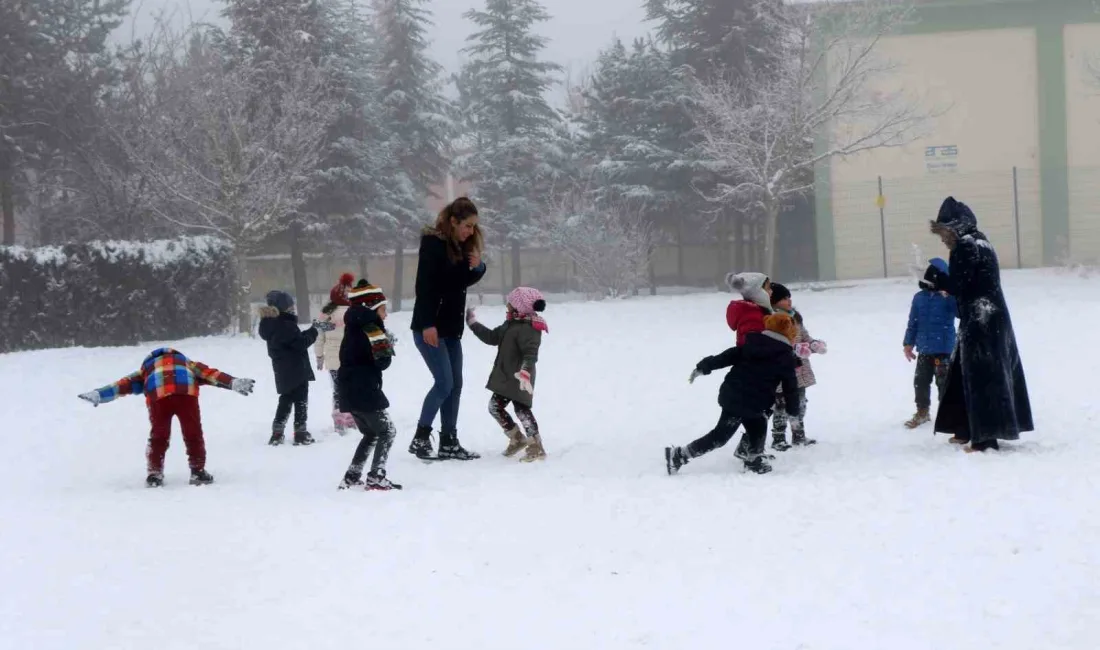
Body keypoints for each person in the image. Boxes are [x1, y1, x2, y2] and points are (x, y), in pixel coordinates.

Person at [924, 196, 1033, 452]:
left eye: (944, 232)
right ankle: (964, 428)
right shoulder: (983, 242)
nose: (943, 238)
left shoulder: (965, 246)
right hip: (992, 317)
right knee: (967, 373)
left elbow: (958, 286)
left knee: (981, 376)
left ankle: (984, 437)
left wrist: (935, 278)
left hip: (980, 320)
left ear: (956, 227)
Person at [77, 348, 255, 487]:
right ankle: (198, 471)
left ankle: (154, 474)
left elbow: (121, 385)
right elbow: (211, 375)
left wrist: (99, 394)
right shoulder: (186, 363)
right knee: (193, 433)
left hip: (159, 397)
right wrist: (233, 382)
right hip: (186, 394)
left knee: (159, 436)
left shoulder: (146, 368)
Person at [664, 313, 801, 476]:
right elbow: (790, 388)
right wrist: (793, 411)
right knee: (721, 436)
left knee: (758, 425)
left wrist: (704, 366)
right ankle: (679, 455)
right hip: (744, 401)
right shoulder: (785, 358)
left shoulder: (752, 343)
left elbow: (726, 357)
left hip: (736, 395)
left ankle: (754, 458)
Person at [408, 196, 487, 461]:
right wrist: (428, 323)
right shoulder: (433, 245)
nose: (471, 231)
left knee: (456, 385)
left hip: (451, 328)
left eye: (474, 227)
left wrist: (479, 267)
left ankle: (448, 441)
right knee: (444, 384)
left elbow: (460, 281)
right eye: (467, 225)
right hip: (430, 327)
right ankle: (420, 438)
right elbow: (425, 286)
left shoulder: (459, 247)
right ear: (453, 222)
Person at [466, 286, 548, 462]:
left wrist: (525, 372)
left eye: (510, 303)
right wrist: (473, 323)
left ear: (520, 306)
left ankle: (536, 446)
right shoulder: (510, 324)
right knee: (494, 407)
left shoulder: (530, 327)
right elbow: (491, 337)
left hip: (520, 378)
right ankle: (517, 438)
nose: (507, 306)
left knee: (522, 410)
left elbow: (531, 354)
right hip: (506, 377)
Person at [336, 280, 402, 490]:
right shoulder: (372, 328)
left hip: (348, 390)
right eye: (383, 309)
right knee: (387, 431)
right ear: (372, 308)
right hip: (365, 389)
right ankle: (376, 475)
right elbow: (383, 362)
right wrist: (386, 344)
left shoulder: (352, 327)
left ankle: (352, 476)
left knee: (371, 433)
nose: (386, 315)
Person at [258, 290, 334, 446]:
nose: (293, 309)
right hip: (296, 369)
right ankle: (300, 433)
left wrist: (311, 329)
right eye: (290, 307)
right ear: (283, 308)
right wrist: (315, 330)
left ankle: (277, 432)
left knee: (285, 399)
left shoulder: (272, 324)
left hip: (282, 370)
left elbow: (294, 340)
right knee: (300, 401)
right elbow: (301, 343)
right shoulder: (286, 325)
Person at [768, 282, 827, 450]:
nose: (788, 301)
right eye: (784, 299)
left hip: (800, 369)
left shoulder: (795, 317)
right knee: (780, 404)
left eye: (789, 297)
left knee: (800, 401)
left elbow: (804, 337)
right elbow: (775, 343)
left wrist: (813, 344)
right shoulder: (772, 319)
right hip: (781, 370)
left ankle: (798, 434)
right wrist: (794, 349)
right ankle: (778, 438)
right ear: (774, 301)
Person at [902, 259, 957, 429]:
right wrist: (908, 343)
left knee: (944, 382)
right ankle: (922, 411)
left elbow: (960, 312)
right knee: (921, 381)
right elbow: (913, 322)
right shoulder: (919, 298)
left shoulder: (948, 298)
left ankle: (948, 414)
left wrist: (951, 296)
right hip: (924, 348)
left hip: (943, 349)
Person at [317, 273, 355, 434]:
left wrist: (319, 356)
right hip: (352, 358)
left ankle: (339, 420)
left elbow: (319, 337)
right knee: (352, 388)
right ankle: (352, 419)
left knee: (338, 389)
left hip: (333, 360)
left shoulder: (325, 314)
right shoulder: (354, 312)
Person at [726, 272, 773, 345]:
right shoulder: (752, 318)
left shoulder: (758, 312)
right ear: (758, 292)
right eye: (768, 288)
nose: (771, 291)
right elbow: (755, 349)